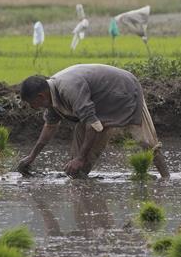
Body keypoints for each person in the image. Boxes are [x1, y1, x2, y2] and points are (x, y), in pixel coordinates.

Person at [17, 64, 170, 179]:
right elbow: (50, 127)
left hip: (124, 89)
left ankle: (166, 179)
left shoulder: (69, 89)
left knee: (145, 141)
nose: (32, 107)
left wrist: (80, 158)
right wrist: (32, 156)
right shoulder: (52, 97)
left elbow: (92, 124)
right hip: (99, 102)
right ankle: (79, 177)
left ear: (40, 97)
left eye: (32, 104)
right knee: (80, 135)